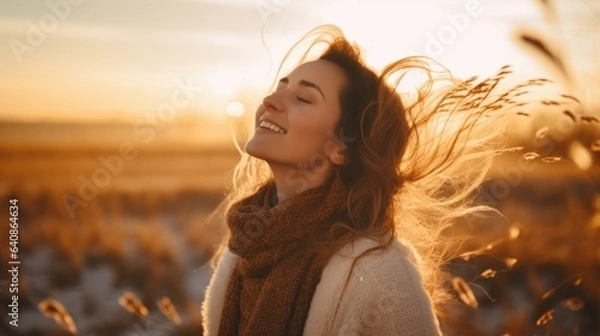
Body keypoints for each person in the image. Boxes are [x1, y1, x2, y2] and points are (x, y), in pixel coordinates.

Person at [201, 24, 551, 335]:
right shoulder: (245, 249)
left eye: (302, 98)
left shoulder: (381, 276)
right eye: (281, 87)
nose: (270, 101)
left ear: (340, 146)